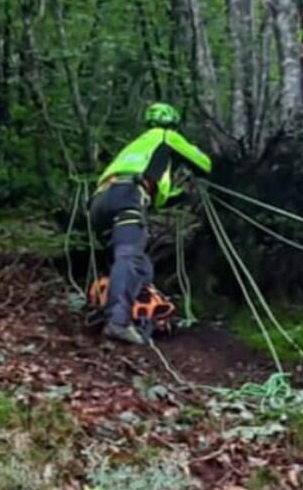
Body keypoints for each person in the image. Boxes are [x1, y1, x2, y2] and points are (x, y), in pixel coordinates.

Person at [90, 102, 212, 345]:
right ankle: (118, 321)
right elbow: (204, 164)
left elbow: (157, 194)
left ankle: (135, 312)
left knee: (142, 266)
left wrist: (178, 195)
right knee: (130, 258)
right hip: (128, 196)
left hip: (100, 202)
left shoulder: (137, 146)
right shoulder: (166, 136)